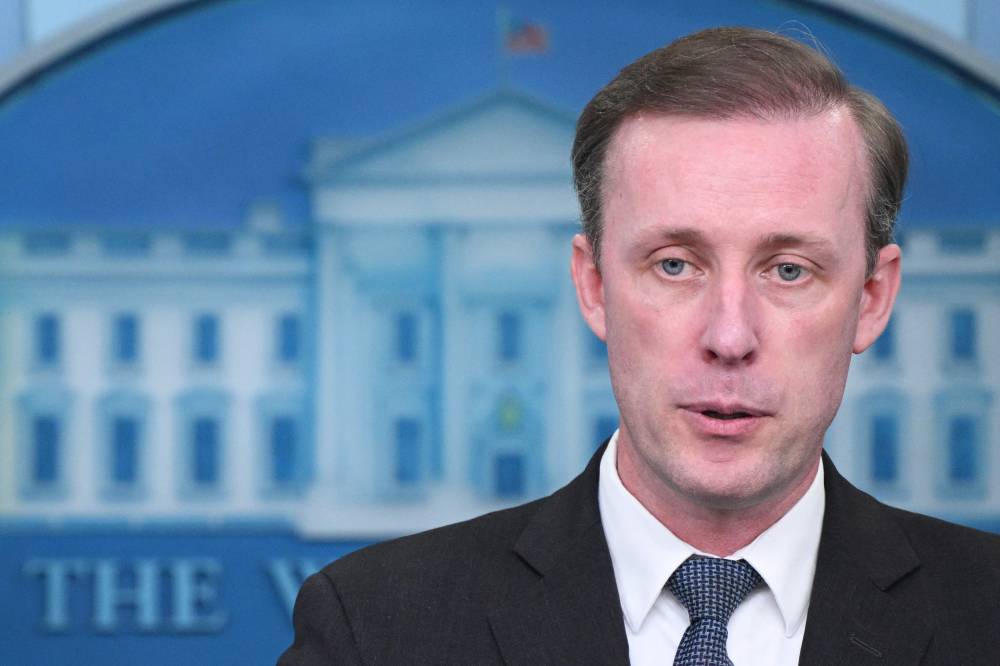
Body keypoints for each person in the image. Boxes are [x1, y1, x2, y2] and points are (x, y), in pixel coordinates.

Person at [279, 27, 1000, 665]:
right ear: (593, 287)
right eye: (675, 265)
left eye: (788, 270)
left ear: (871, 301)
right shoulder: (373, 633)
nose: (729, 337)